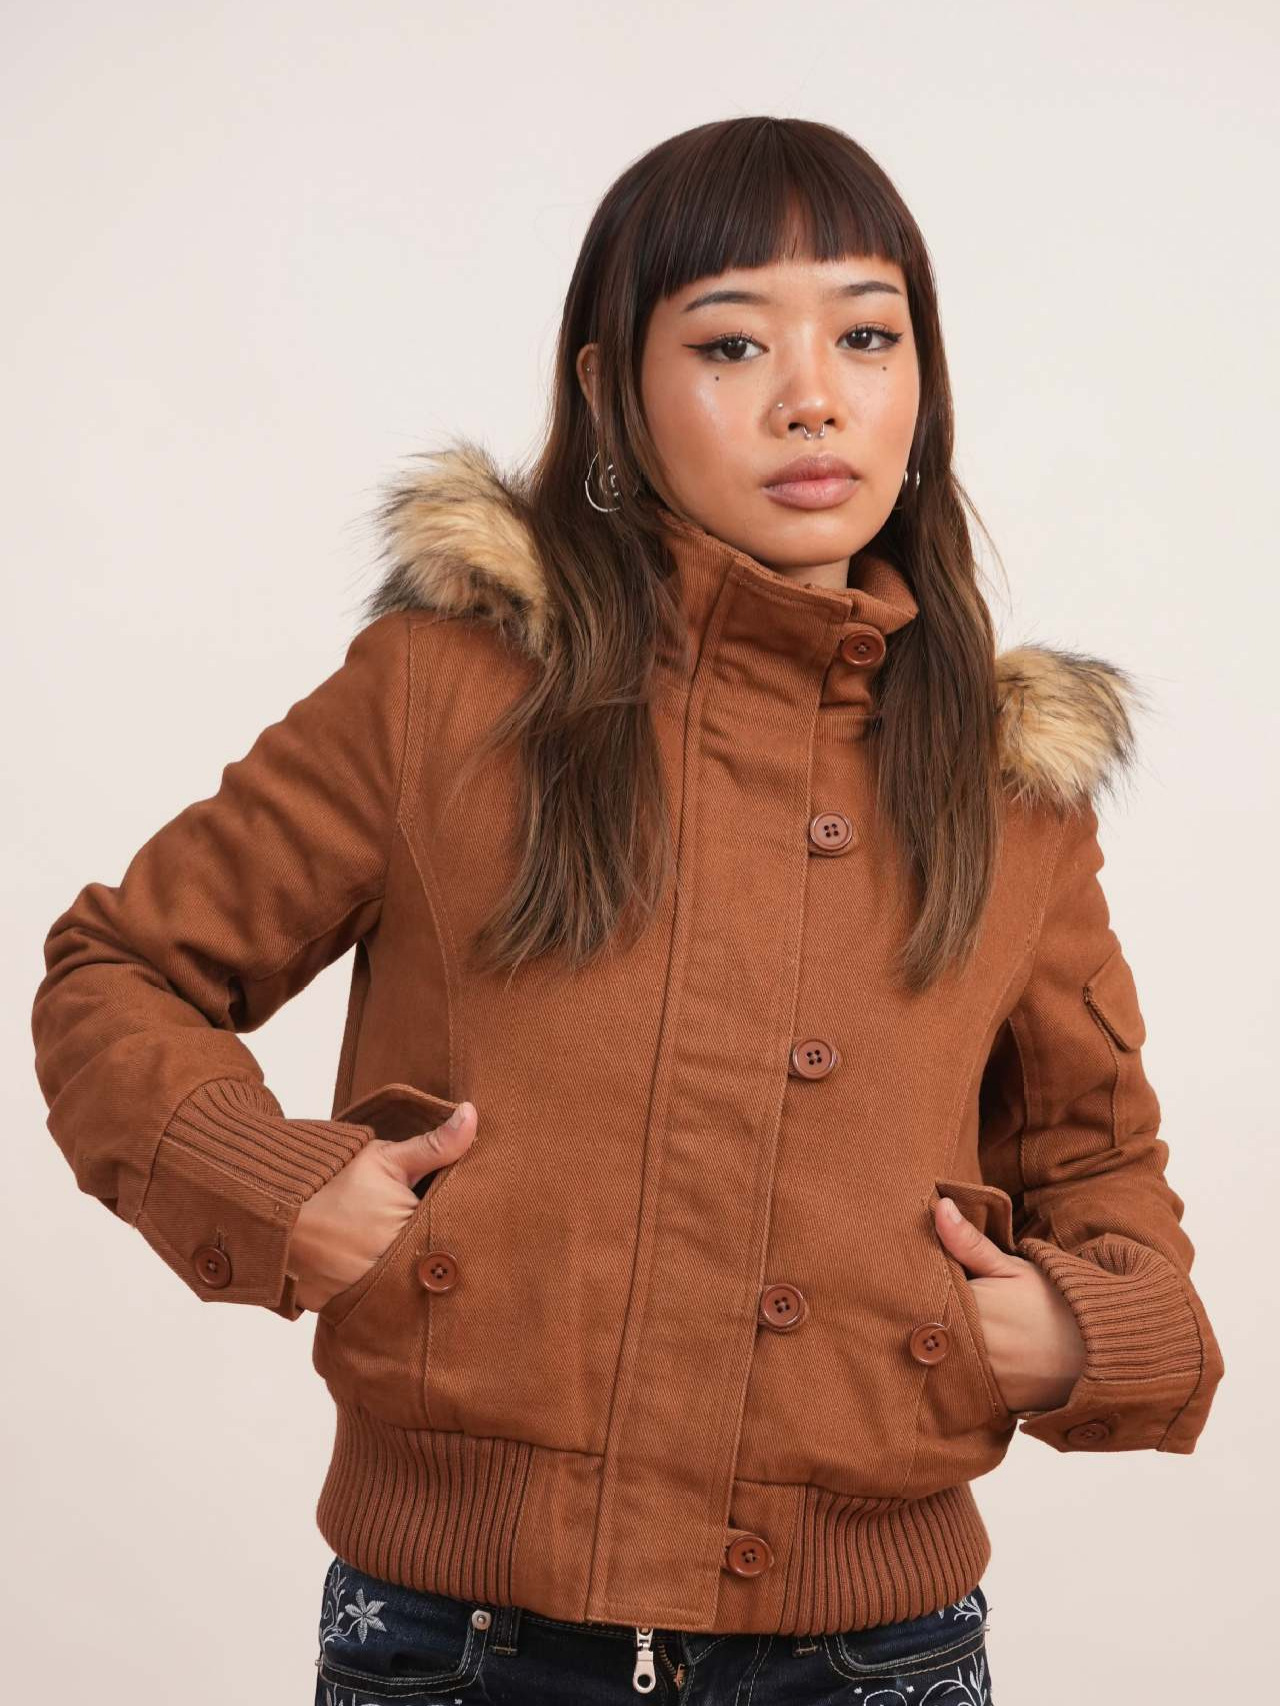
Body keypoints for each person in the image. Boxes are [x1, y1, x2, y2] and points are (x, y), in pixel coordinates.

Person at [30, 116, 1224, 1705]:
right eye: (732, 342)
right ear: (609, 391)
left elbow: (1105, 1172)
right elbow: (117, 970)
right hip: (461, 1642)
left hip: (874, 1655)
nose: (813, 395)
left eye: (868, 336)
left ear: (922, 386)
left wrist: (1084, 1330)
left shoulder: (1011, 794)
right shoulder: (444, 694)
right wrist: (274, 1185)